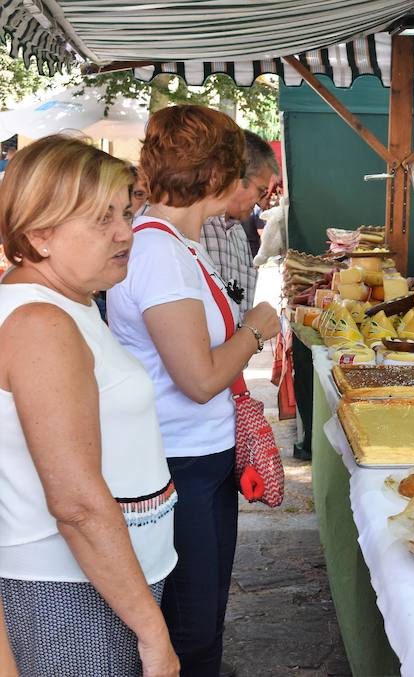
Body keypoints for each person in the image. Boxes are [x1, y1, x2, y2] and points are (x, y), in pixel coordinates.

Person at [107, 105, 280, 677]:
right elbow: (200, 379)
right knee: (191, 629)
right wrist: (257, 326)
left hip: (195, 455)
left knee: (200, 617)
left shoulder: (179, 243)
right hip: (180, 460)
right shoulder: (159, 251)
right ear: (217, 176)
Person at [0, 135, 179, 677]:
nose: (126, 231)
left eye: (126, 212)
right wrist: (153, 634)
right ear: (39, 234)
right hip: (71, 596)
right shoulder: (40, 323)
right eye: (101, 219)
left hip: (100, 583)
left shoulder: (64, 305)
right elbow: (75, 503)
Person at [200, 130, 277, 319]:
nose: (260, 201)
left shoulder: (237, 233)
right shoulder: (192, 228)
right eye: (260, 190)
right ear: (236, 177)